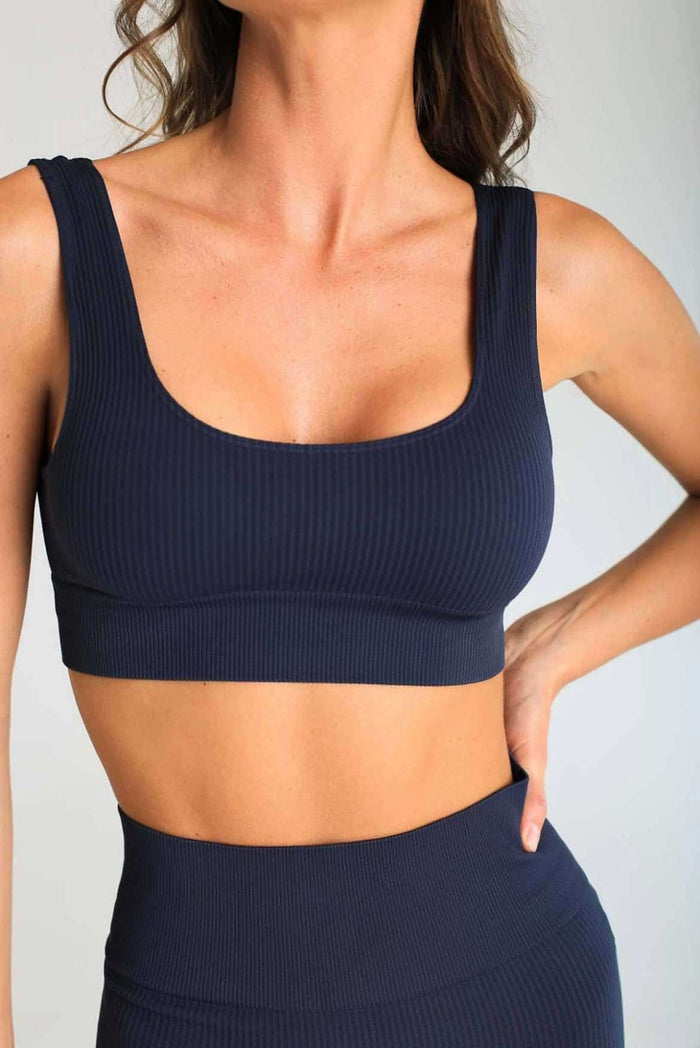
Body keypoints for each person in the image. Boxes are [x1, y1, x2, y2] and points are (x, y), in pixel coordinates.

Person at [1, 0, 699, 1045]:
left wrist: (555, 647)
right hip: (194, 1011)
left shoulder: (553, 267)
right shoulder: (38, 251)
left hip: (514, 985)